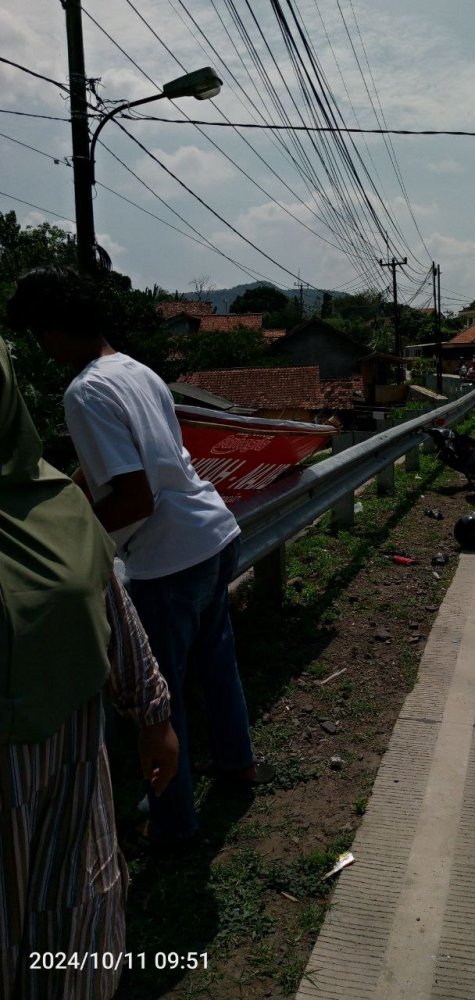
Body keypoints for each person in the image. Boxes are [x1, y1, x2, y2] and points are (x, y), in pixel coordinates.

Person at [7, 267, 272, 851]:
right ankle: (239, 764)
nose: (39, 347)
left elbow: (133, 495)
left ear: (52, 329)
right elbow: (117, 467)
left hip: (166, 560)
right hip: (213, 535)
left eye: (36, 333)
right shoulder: (136, 370)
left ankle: (173, 824)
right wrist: (68, 503)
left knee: (161, 696)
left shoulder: (83, 393)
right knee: (216, 661)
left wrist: (74, 543)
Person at [0, 335, 178, 999]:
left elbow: (110, 601)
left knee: (69, 928)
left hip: (70, 771)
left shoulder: (58, 507)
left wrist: (152, 713)